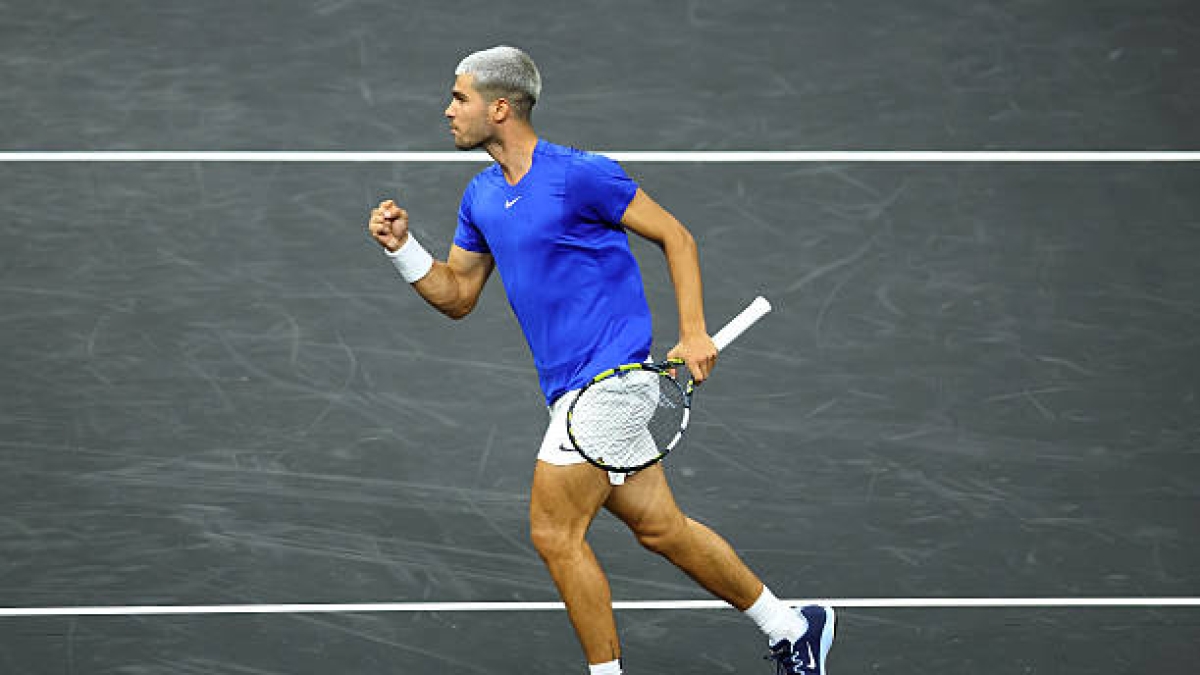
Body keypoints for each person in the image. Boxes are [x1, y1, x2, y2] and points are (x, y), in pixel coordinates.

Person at [367, 45, 835, 675]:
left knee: (554, 533)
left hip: (612, 384)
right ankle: (792, 627)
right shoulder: (480, 196)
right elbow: (457, 295)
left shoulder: (579, 175)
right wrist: (403, 249)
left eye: (459, 98)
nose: (447, 110)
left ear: (499, 108)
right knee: (662, 529)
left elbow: (677, 236)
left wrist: (692, 330)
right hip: (570, 395)